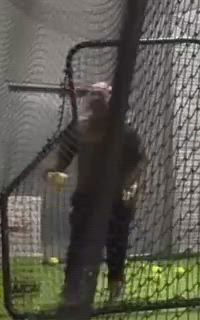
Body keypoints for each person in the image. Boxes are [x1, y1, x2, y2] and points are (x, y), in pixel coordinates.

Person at [46, 82, 145, 304]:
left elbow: (136, 167)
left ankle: (115, 288)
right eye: (95, 97)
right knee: (79, 245)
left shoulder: (125, 132)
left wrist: (133, 189)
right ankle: (71, 290)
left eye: (103, 97)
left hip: (116, 201)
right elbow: (59, 162)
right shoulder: (79, 129)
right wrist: (53, 173)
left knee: (116, 245)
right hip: (86, 199)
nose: (98, 101)